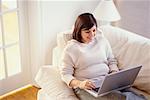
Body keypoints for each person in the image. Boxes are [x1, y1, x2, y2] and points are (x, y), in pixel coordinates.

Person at [59, 13, 146, 100]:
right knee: (122, 98)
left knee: (134, 94)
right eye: (87, 32)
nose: (92, 35)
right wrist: (80, 84)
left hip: (107, 81)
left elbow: (111, 60)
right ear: (79, 31)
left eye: (94, 30)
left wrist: (114, 72)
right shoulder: (71, 49)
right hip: (87, 87)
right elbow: (65, 74)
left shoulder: (101, 40)